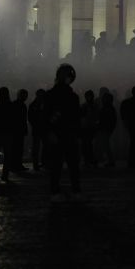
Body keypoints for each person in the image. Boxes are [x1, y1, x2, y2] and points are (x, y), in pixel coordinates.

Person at [44, 64, 82, 201]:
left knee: (56, 166)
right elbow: (76, 118)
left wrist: (49, 132)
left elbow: (45, 117)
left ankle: (55, 191)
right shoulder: (73, 97)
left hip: (57, 134)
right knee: (73, 166)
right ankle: (76, 190)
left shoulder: (50, 95)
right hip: (69, 134)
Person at [120, 86, 135, 168]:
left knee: (134, 143)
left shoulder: (127, 102)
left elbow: (123, 114)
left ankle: (133, 161)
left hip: (132, 125)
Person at [10, 89, 30, 171]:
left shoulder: (15, 104)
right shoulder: (22, 105)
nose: (25, 97)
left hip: (16, 130)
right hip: (18, 130)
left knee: (16, 148)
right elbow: (23, 119)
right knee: (17, 148)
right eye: (24, 95)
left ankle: (15, 165)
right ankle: (17, 164)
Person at [97, 90, 117, 168]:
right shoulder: (110, 108)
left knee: (106, 145)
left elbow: (105, 119)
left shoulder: (106, 108)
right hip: (107, 129)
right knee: (106, 145)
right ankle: (110, 160)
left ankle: (111, 161)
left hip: (105, 129)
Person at [28, 89, 47, 171]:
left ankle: (37, 163)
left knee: (37, 147)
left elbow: (30, 117)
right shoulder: (45, 104)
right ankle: (43, 162)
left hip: (37, 128)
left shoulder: (33, 104)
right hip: (42, 128)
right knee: (43, 146)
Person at [80, 90, 99, 167]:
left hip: (88, 127)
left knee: (87, 144)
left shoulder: (85, 105)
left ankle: (88, 160)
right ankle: (89, 160)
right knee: (88, 144)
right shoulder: (94, 105)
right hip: (88, 127)